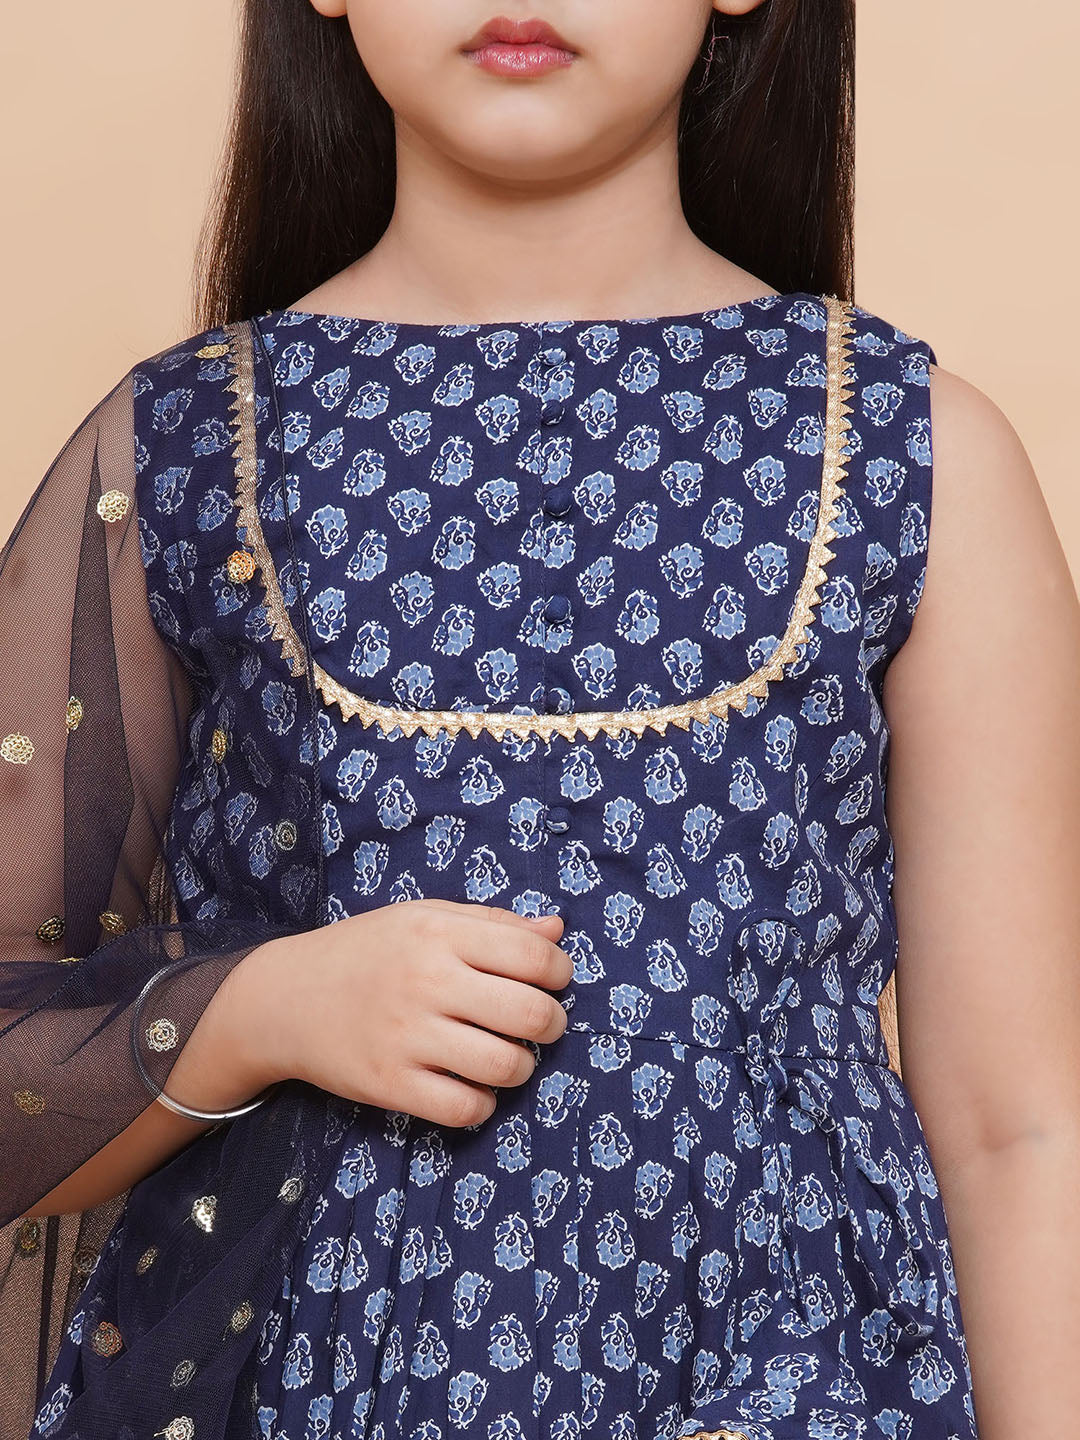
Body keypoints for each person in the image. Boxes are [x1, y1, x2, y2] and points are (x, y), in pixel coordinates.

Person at [2, 2, 1078, 1438]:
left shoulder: (918, 451)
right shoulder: (186, 448)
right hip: (326, 1383)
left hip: (795, 1383)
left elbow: (1019, 1130)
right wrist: (259, 1011)